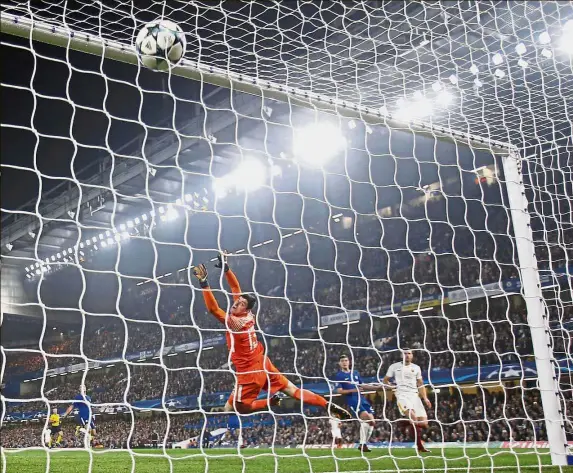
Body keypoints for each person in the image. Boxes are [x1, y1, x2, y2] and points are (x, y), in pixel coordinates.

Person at [192, 251, 350, 420]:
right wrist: (226, 268)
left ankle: (269, 403)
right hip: (263, 363)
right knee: (292, 390)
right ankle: (327, 405)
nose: (236, 303)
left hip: (249, 374)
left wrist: (204, 283)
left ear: (245, 309)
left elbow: (213, 310)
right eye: (238, 302)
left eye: (240, 304)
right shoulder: (247, 315)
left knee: (235, 409)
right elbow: (235, 289)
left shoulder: (236, 323)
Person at [383, 349, 431, 453]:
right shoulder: (394, 367)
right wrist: (392, 387)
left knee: (424, 424)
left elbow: (421, 384)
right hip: (402, 396)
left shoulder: (416, 368)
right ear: (401, 355)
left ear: (412, 355)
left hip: (415, 396)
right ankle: (420, 446)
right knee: (413, 418)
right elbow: (385, 380)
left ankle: (402, 423)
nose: (407, 355)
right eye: (405, 353)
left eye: (409, 353)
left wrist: (425, 398)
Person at [333, 354, 376, 452]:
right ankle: (362, 444)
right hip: (352, 400)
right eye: (342, 361)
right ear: (339, 363)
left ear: (349, 362)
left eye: (346, 360)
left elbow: (363, 385)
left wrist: (378, 387)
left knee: (372, 422)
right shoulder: (339, 375)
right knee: (367, 418)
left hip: (362, 399)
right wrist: (353, 390)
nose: (344, 362)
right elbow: (339, 391)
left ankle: (363, 445)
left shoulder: (355, 373)